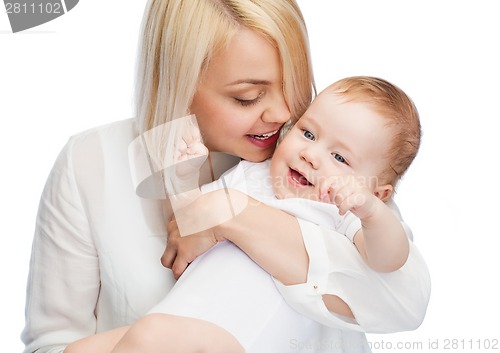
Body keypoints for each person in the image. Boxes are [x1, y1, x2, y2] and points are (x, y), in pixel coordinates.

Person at [21, 0, 430, 352]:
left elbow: (402, 301)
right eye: (247, 97)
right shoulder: (90, 162)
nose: (285, 114)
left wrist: (229, 214)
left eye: (293, 86)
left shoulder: (338, 174)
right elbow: (52, 343)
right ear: (178, 81)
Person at [64, 76, 427, 353]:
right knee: (81, 349)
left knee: (151, 336)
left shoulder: (340, 213)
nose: (311, 155)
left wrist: (373, 214)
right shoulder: (253, 175)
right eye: (308, 133)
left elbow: (389, 260)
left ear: (377, 191)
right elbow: (190, 224)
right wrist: (186, 176)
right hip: (186, 312)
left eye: (340, 158)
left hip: (238, 334)